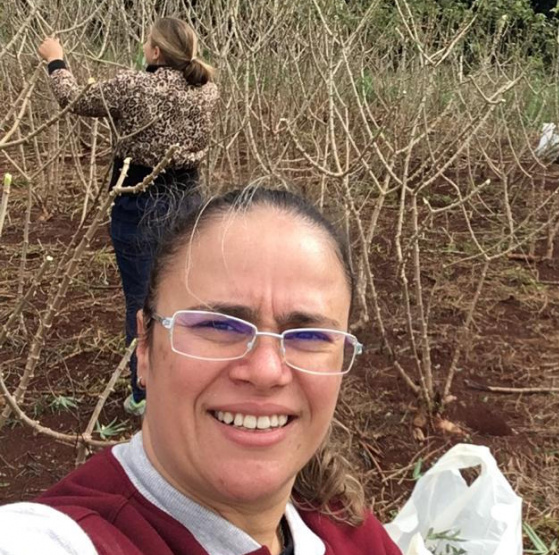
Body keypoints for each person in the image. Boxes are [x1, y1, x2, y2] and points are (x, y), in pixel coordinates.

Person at [0, 187, 403, 555]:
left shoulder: (345, 523)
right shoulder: (63, 539)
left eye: (308, 335)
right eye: (218, 326)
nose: (265, 371)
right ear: (145, 346)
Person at [37, 18, 219, 416]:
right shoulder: (207, 89)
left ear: (155, 52)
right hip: (190, 201)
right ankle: (191, 376)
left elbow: (73, 99)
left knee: (141, 299)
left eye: (147, 45)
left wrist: (56, 59)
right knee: (184, 291)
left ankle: (145, 394)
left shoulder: (135, 87)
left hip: (140, 200)